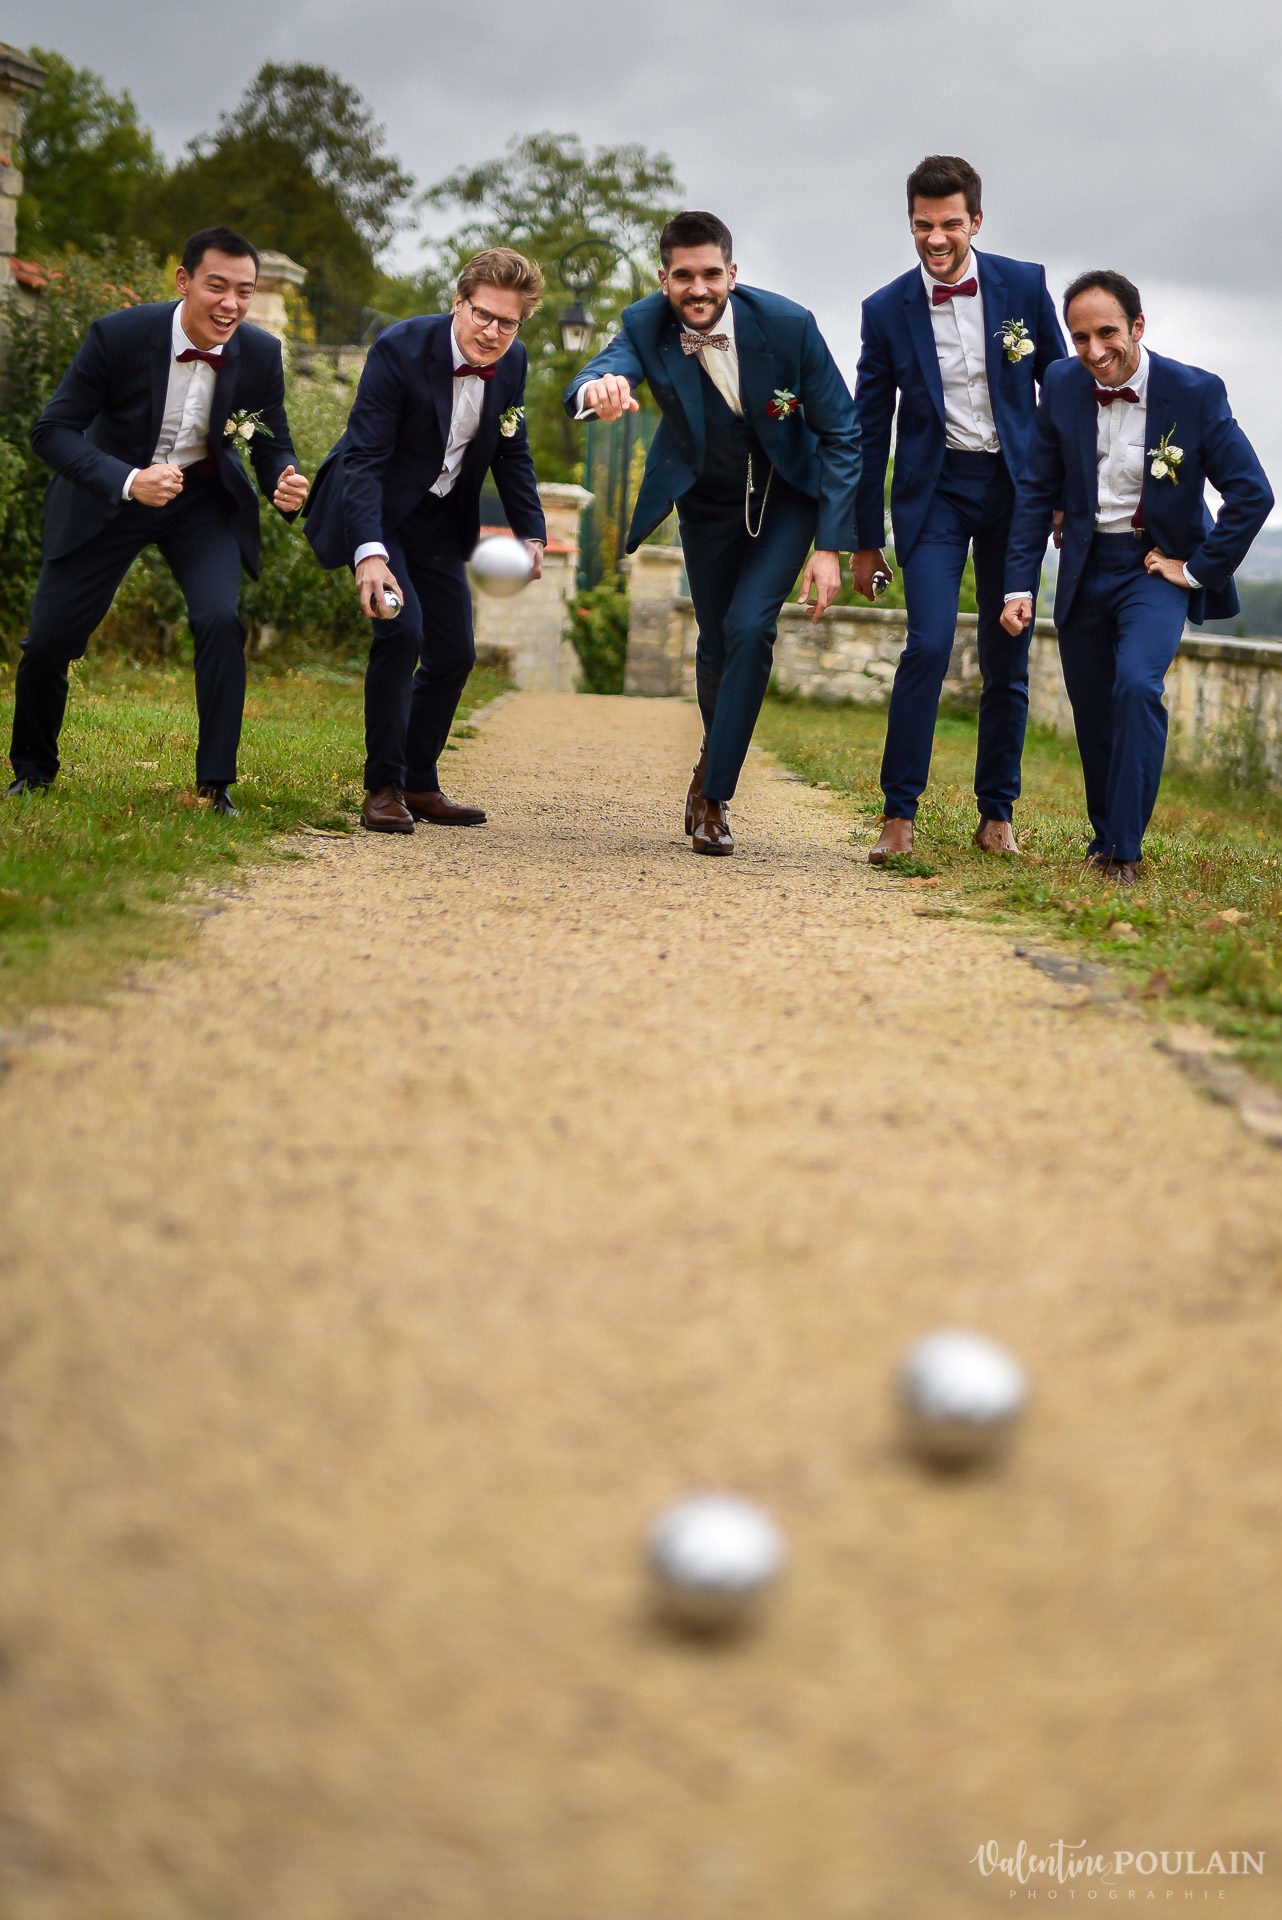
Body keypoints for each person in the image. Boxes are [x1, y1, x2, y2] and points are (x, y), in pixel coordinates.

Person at [562, 210, 860, 855]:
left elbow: (842, 432)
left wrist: (831, 546)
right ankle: (712, 757)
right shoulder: (645, 322)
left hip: (787, 500)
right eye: (683, 277)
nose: (697, 289)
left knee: (751, 627)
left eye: (710, 275)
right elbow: (594, 376)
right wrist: (599, 390)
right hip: (705, 500)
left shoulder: (788, 325)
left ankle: (714, 796)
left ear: (732, 273)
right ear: (663, 278)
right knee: (717, 641)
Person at [6, 227, 308, 816]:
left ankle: (216, 785)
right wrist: (128, 480)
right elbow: (52, 431)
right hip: (109, 496)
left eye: (244, 291)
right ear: (184, 280)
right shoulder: (118, 336)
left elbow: (270, 441)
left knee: (220, 619)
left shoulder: (261, 353)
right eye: (217, 287)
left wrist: (284, 478)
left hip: (201, 503)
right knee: (48, 642)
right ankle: (33, 773)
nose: (231, 304)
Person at [1002, 270, 1273, 884]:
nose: (1094, 351)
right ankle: (1105, 837)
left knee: (1135, 687)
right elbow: (1036, 491)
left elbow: (1252, 493)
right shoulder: (1062, 384)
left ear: (1138, 326)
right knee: (1093, 710)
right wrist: (1019, 585)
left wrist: (1196, 570)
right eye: (1079, 337)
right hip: (1083, 567)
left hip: (1153, 571)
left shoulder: (1195, 392)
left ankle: (1124, 851)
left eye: (1107, 333)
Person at [852, 155, 1066, 864]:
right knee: (929, 643)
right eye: (923, 225)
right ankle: (898, 815)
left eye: (949, 224)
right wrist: (865, 538)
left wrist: (1062, 494)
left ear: (976, 220)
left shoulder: (1024, 285)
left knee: (1008, 654)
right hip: (935, 494)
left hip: (1017, 492)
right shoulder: (885, 309)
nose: (936, 238)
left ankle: (997, 815)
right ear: (911, 223)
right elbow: (869, 427)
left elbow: (1061, 389)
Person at [304, 249, 546, 834]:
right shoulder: (400, 348)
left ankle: (418, 780)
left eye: (508, 323)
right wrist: (368, 551)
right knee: (401, 631)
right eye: (483, 315)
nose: (493, 332)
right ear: (458, 303)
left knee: (455, 653)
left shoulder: (513, 363)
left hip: (440, 518)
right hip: (380, 509)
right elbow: (364, 457)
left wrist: (532, 532)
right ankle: (383, 786)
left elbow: (511, 450)